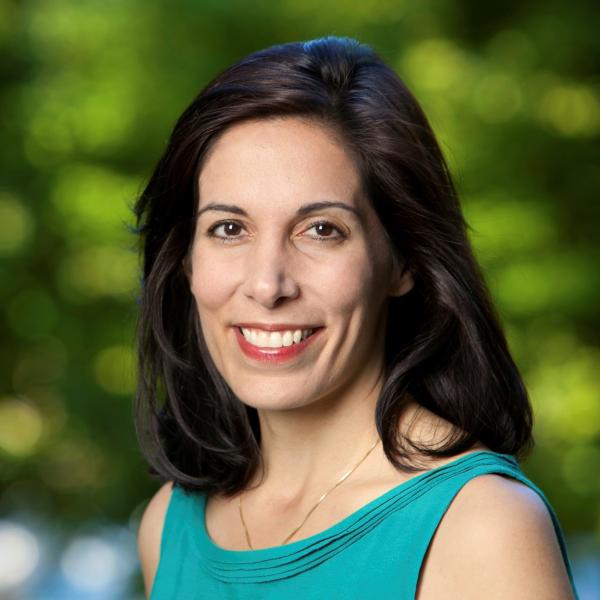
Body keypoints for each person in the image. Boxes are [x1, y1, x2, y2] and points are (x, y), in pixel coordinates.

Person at [133, 36, 579, 599]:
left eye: (322, 230)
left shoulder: (482, 529)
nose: (268, 285)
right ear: (187, 263)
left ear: (403, 261)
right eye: (229, 228)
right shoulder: (167, 525)